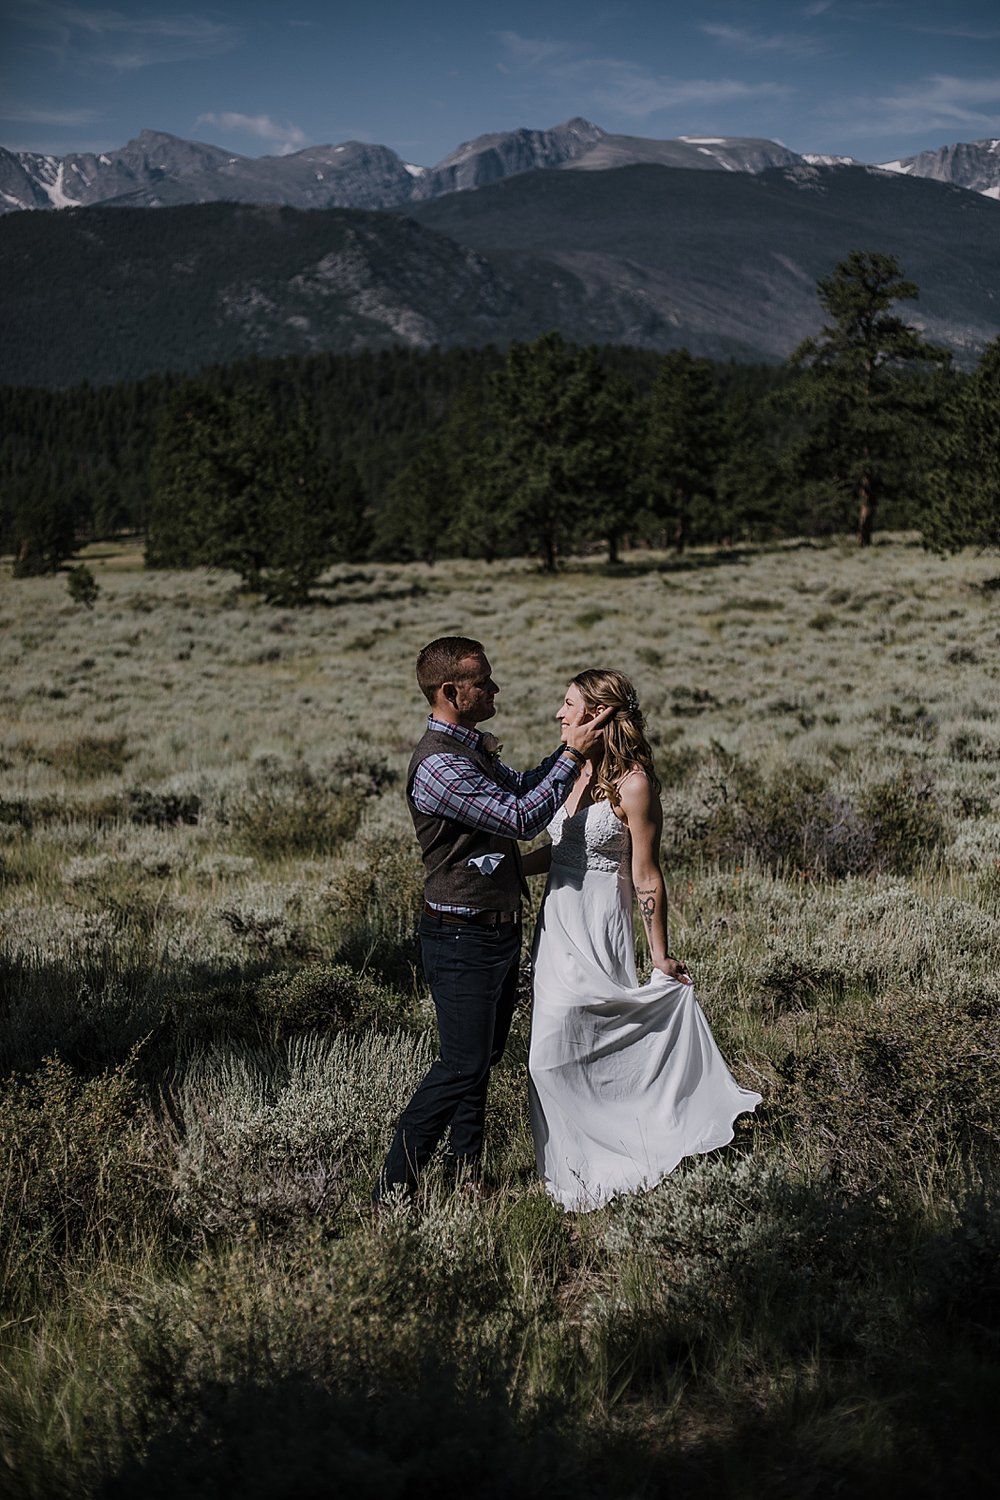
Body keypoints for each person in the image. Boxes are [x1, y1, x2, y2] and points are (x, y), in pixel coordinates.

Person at [376, 637, 612, 1200]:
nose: (495, 688)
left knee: (482, 1061)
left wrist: (570, 764)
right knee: (460, 1065)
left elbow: (520, 787)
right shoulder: (438, 765)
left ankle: (465, 1178)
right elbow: (521, 817)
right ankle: (394, 1187)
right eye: (483, 681)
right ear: (450, 692)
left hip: (493, 931)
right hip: (460, 936)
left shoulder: (469, 751)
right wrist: (572, 756)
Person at [523, 669, 761, 1212]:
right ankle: (572, 1171)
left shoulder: (634, 784)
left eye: (568, 705)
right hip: (557, 924)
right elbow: (560, 850)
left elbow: (647, 875)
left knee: (594, 1041)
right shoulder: (565, 773)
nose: (559, 715)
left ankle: (630, 1153)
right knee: (547, 1057)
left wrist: (658, 954)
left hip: (600, 920)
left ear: (600, 715)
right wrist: (511, 869)